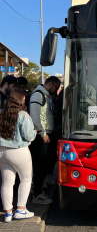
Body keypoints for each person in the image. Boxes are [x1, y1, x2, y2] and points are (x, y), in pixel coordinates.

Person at [0, 88, 36, 222]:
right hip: (18, 151)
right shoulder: (23, 115)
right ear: (20, 99)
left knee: (7, 182)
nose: (25, 99)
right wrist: (35, 132)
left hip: (1, 151)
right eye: (24, 97)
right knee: (26, 178)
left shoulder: (1, 114)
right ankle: (20, 209)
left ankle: (8, 213)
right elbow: (28, 135)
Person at [29, 76, 61, 204]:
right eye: (56, 87)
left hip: (47, 134)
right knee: (40, 165)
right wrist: (43, 133)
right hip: (42, 136)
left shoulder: (46, 96)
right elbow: (35, 117)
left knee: (44, 164)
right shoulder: (38, 95)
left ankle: (39, 190)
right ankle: (37, 194)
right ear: (51, 85)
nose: (57, 90)